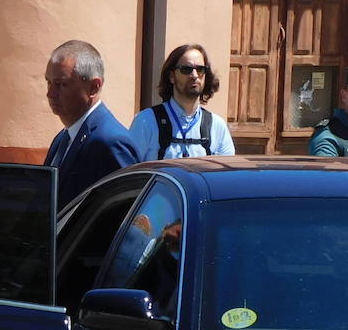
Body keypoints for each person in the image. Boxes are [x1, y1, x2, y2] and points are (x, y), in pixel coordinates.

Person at [43, 39, 140, 208]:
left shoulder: (111, 142)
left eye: (61, 84)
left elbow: (123, 215)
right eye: (49, 82)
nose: (50, 93)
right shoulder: (62, 138)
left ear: (94, 87)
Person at [128, 43, 235, 160]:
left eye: (200, 69)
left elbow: (225, 175)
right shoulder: (146, 121)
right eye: (186, 70)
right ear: (171, 76)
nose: (194, 75)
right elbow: (128, 172)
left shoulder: (217, 126)